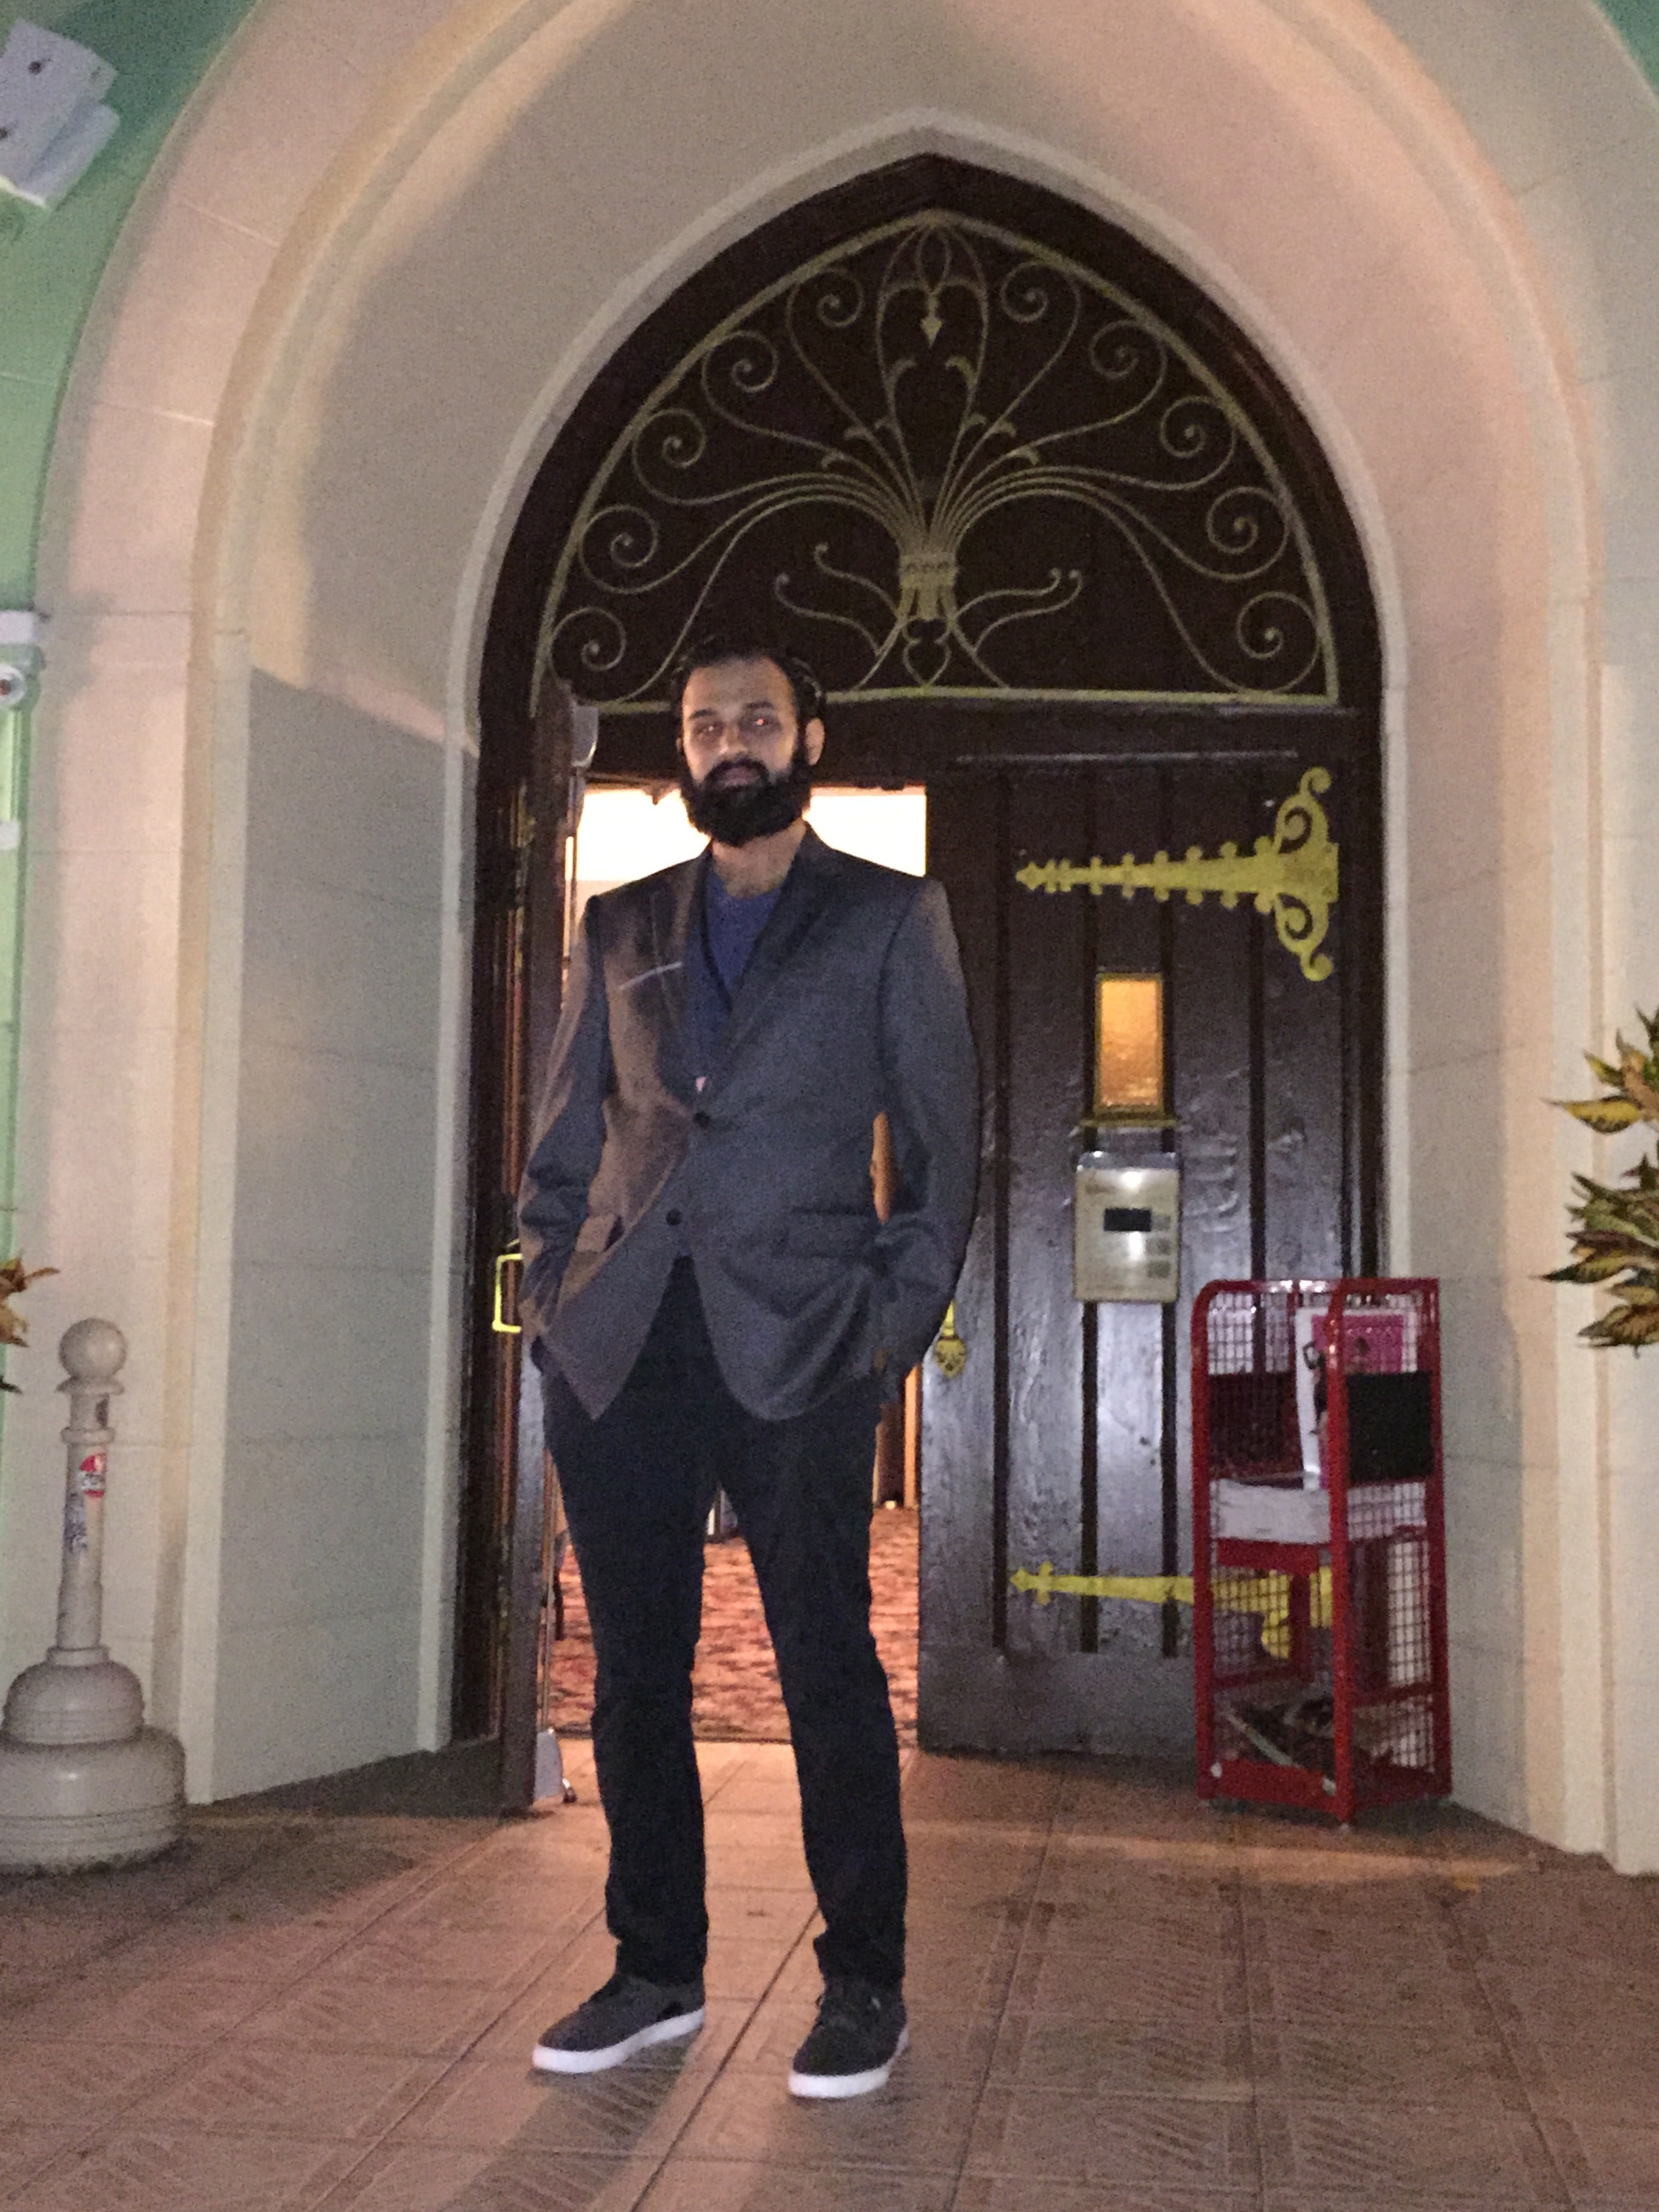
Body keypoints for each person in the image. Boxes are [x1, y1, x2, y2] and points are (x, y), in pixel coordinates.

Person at [516, 632, 978, 2099]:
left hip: (802, 1341)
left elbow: (946, 1148)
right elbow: (571, 1130)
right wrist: (554, 1291)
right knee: (633, 1672)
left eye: (758, 720)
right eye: (707, 721)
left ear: (809, 739)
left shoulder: (890, 918)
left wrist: (885, 1327)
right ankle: (655, 1968)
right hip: (625, 1341)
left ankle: (864, 1985)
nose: (731, 742)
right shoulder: (622, 920)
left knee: (826, 1664)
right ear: (685, 744)